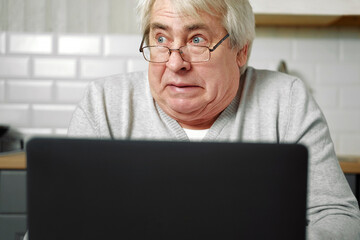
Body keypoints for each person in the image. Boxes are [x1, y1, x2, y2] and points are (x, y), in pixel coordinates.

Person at [67, 0, 360, 239]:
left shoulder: (286, 100)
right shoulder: (104, 103)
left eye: (197, 39)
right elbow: (58, 222)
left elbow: (337, 216)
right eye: (160, 38)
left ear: (241, 50)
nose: (175, 63)